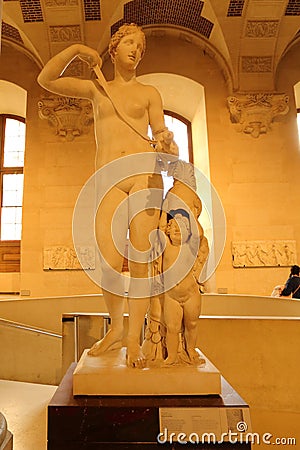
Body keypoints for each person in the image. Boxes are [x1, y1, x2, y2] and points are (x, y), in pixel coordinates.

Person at [38, 23, 178, 368]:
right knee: (109, 263)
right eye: (129, 43)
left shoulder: (148, 93)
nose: (136, 50)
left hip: (142, 177)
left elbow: (160, 131)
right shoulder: (98, 90)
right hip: (108, 180)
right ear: (113, 50)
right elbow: (46, 80)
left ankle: (134, 338)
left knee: (143, 264)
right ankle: (116, 327)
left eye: (141, 47)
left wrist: (166, 140)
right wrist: (74, 50)